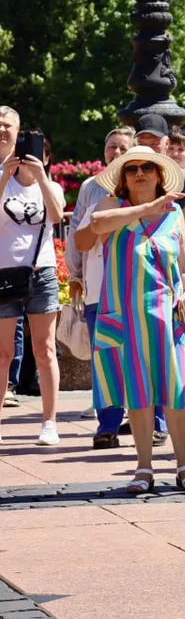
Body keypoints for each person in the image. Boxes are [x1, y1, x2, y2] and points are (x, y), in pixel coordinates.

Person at [87, 147, 185, 493]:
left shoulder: (175, 213)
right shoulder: (112, 208)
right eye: (132, 169)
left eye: (148, 167)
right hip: (126, 317)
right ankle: (143, 467)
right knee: (138, 395)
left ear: (160, 175)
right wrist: (146, 209)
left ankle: (184, 464)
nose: (140, 173)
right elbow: (95, 227)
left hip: (169, 317)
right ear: (122, 177)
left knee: (177, 393)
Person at [67, 126, 151, 447]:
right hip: (100, 288)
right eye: (111, 148)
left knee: (143, 357)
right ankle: (108, 424)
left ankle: (153, 422)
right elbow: (80, 234)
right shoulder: (95, 193)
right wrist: (74, 274)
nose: (116, 154)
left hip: (138, 290)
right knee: (105, 359)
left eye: (124, 151)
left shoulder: (153, 197)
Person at [0, 109, 64, 446]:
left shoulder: (48, 185)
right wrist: (4, 176)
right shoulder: (2, 179)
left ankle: (49, 421)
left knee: (46, 349)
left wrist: (41, 177)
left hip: (42, 274)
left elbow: (55, 215)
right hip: (4, 275)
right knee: (2, 353)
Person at [135, 114, 185, 265]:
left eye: (154, 143)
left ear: (167, 143)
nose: (147, 149)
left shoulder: (184, 179)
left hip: (171, 266)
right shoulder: (128, 174)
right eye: (142, 143)